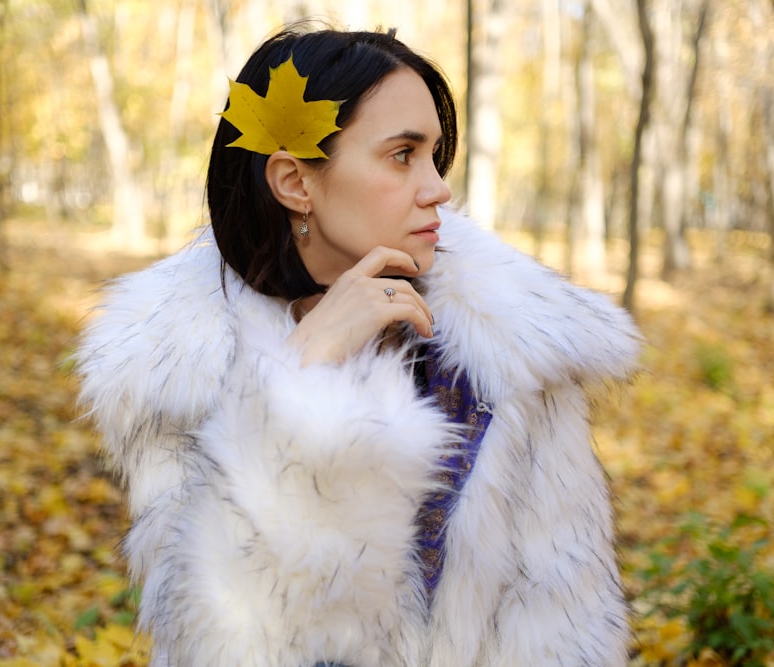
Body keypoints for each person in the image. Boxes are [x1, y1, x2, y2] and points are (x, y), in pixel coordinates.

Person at [76, 23, 640, 667]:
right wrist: (297, 381)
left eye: (434, 155)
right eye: (403, 155)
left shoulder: (510, 357)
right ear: (294, 183)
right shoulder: (179, 370)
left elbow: (565, 628)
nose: (438, 188)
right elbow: (221, 642)